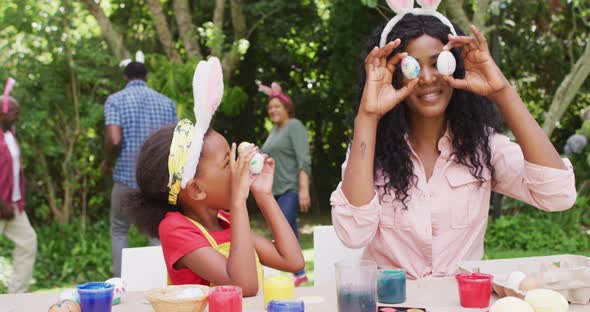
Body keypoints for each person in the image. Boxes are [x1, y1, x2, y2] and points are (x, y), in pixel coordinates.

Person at [330, 0, 576, 279]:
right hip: (392, 304)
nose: (426, 78)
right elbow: (353, 233)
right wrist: (368, 115)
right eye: (412, 67)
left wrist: (502, 91)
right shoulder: (369, 150)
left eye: (439, 64)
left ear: (456, 67)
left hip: (462, 303)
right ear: (393, 75)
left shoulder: (483, 146)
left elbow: (558, 195)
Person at [124, 58, 304, 296]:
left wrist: (264, 195)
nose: (239, 167)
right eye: (228, 163)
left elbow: (292, 261)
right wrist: (239, 201)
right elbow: (244, 287)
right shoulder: (176, 229)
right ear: (196, 189)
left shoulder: (225, 221)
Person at [103, 54, 178, 277]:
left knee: (119, 229)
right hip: (157, 180)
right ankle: (160, 283)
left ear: (126, 77)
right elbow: (174, 142)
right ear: (146, 76)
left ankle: (120, 284)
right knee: (158, 231)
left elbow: (114, 139)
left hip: (125, 176)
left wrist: (107, 162)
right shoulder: (167, 103)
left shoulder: (115, 100)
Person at [259, 82, 311, 286]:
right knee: (288, 230)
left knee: (278, 229)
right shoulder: (274, 132)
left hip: (290, 189)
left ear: (287, 108)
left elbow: (303, 159)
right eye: (270, 107)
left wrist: (303, 189)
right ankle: (299, 273)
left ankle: (283, 272)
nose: (272, 110)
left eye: (277, 106)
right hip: (276, 191)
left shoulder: (294, 126)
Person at [0, 80, 38, 293]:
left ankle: (16, 296)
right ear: (2, 113)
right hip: (1, 204)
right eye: (14, 111)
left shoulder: (9, 134)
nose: (17, 115)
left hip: (13, 205)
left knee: (28, 241)